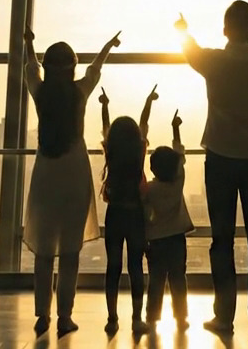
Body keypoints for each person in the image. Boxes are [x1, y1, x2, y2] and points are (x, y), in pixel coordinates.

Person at [175, 1, 248, 334]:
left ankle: (224, 316)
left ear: (224, 30)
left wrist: (183, 30)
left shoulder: (214, 61)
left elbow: (189, 50)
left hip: (220, 156)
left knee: (222, 240)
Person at [22, 27, 121, 338]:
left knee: (44, 252)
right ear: (72, 68)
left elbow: (30, 69)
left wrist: (29, 44)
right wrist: (107, 44)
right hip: (74, 175)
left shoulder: (39, 92)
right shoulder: (80, 92)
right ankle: (65, 316)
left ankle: (42, 314)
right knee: (69, 253)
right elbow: (96, 69)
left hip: (45, 176)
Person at [98, 86, 155, 335]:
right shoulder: (138, 152)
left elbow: (106, 127)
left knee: (113, 266)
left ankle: (112, 318)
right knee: (135, 267)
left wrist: (104, 106)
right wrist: (147, 101)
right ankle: (136, 318)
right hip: (135, 215)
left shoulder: (111, 151)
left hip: (115, 215)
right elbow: (144, 124)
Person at [143, 109, 194, 331]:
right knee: (178, 279)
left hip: (156, 240)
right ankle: (181, 318)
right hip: (177, 239)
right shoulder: (177, 183)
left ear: (152, 168)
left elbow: (144, 215)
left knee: (156, 280)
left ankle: (152, 317)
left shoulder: (149, 190)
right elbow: (180, 156)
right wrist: (175, 128)